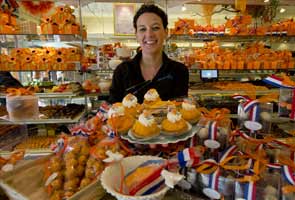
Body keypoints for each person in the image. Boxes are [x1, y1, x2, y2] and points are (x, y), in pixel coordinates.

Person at [109, 4, 189, 103]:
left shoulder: (179, 71)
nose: (149, 34)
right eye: (142, 29)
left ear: (165, 32)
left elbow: (181, 110)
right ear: (136, 35)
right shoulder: (122, 71)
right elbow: (113, 109)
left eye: (155, 28)